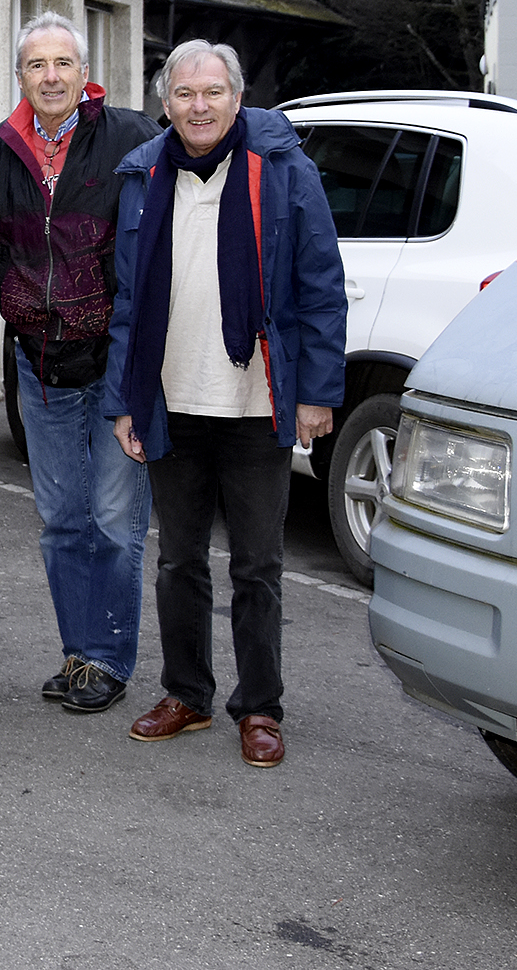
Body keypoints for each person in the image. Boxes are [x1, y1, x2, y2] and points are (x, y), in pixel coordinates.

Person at [101, 39, 345, 768]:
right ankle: (187, 693)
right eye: (184, 93)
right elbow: (128, 301)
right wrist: (124, 400)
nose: (198, 105)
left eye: (212, 92)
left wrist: (317, 394)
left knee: (256, 565)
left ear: (237, 98)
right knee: (177, 560)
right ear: (165, 104)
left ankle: (260, 705)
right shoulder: (144, 175)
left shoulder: (283, 170)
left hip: (254, 400)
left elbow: (321, 285)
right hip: (173, 400)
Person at [0, 11, 160, 716]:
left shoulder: (134, 139)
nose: (50, 76)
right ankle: (79, 653)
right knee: (63, 519)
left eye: (63, 63)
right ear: (21, 75)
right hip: (39, 364)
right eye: (37, 65)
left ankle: (107, 656)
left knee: (114, 518)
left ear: (84, 72)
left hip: (117, 360)